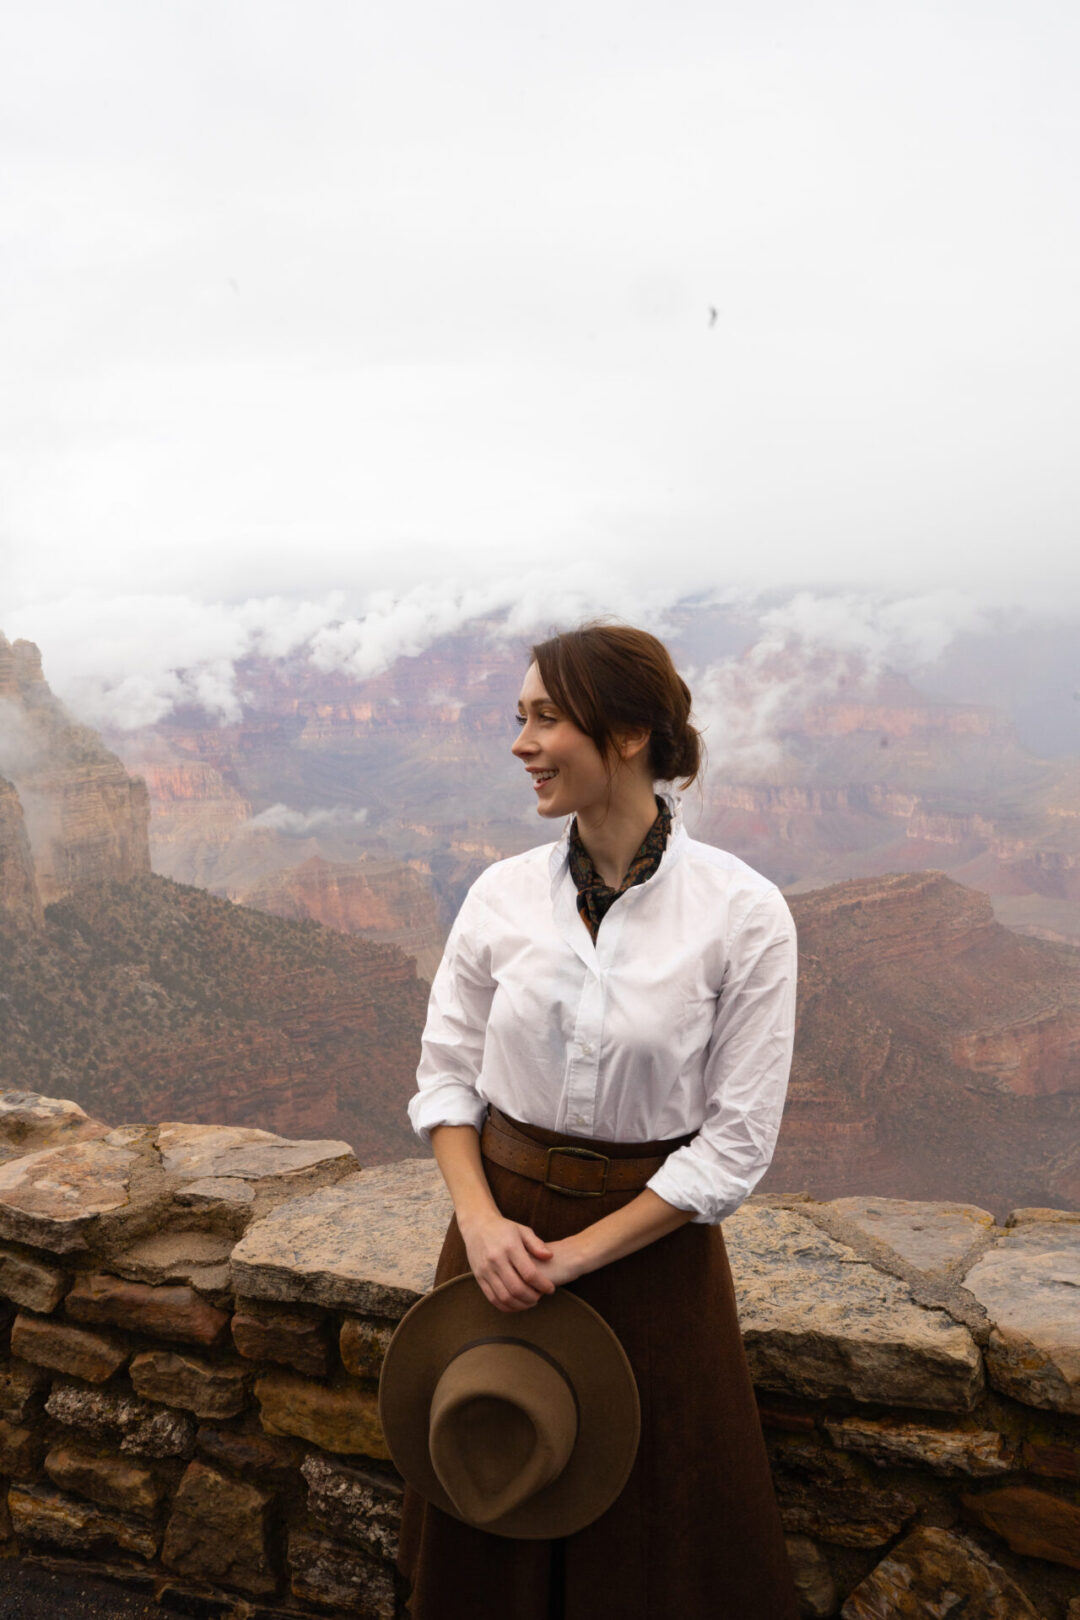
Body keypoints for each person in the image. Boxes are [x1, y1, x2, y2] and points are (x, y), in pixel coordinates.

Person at [396, 623, 801, 1620]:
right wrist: (486, 1229)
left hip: (649, 1260)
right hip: (495, 1239)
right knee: (488, 1511)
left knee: (656, 1553)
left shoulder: (741, 915)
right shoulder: (498, 898)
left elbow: (736, 1146)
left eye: (545, 718)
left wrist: (575, 1261)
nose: (521, 743)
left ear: (626, 734)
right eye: (519, 718)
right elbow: (445, 1083)